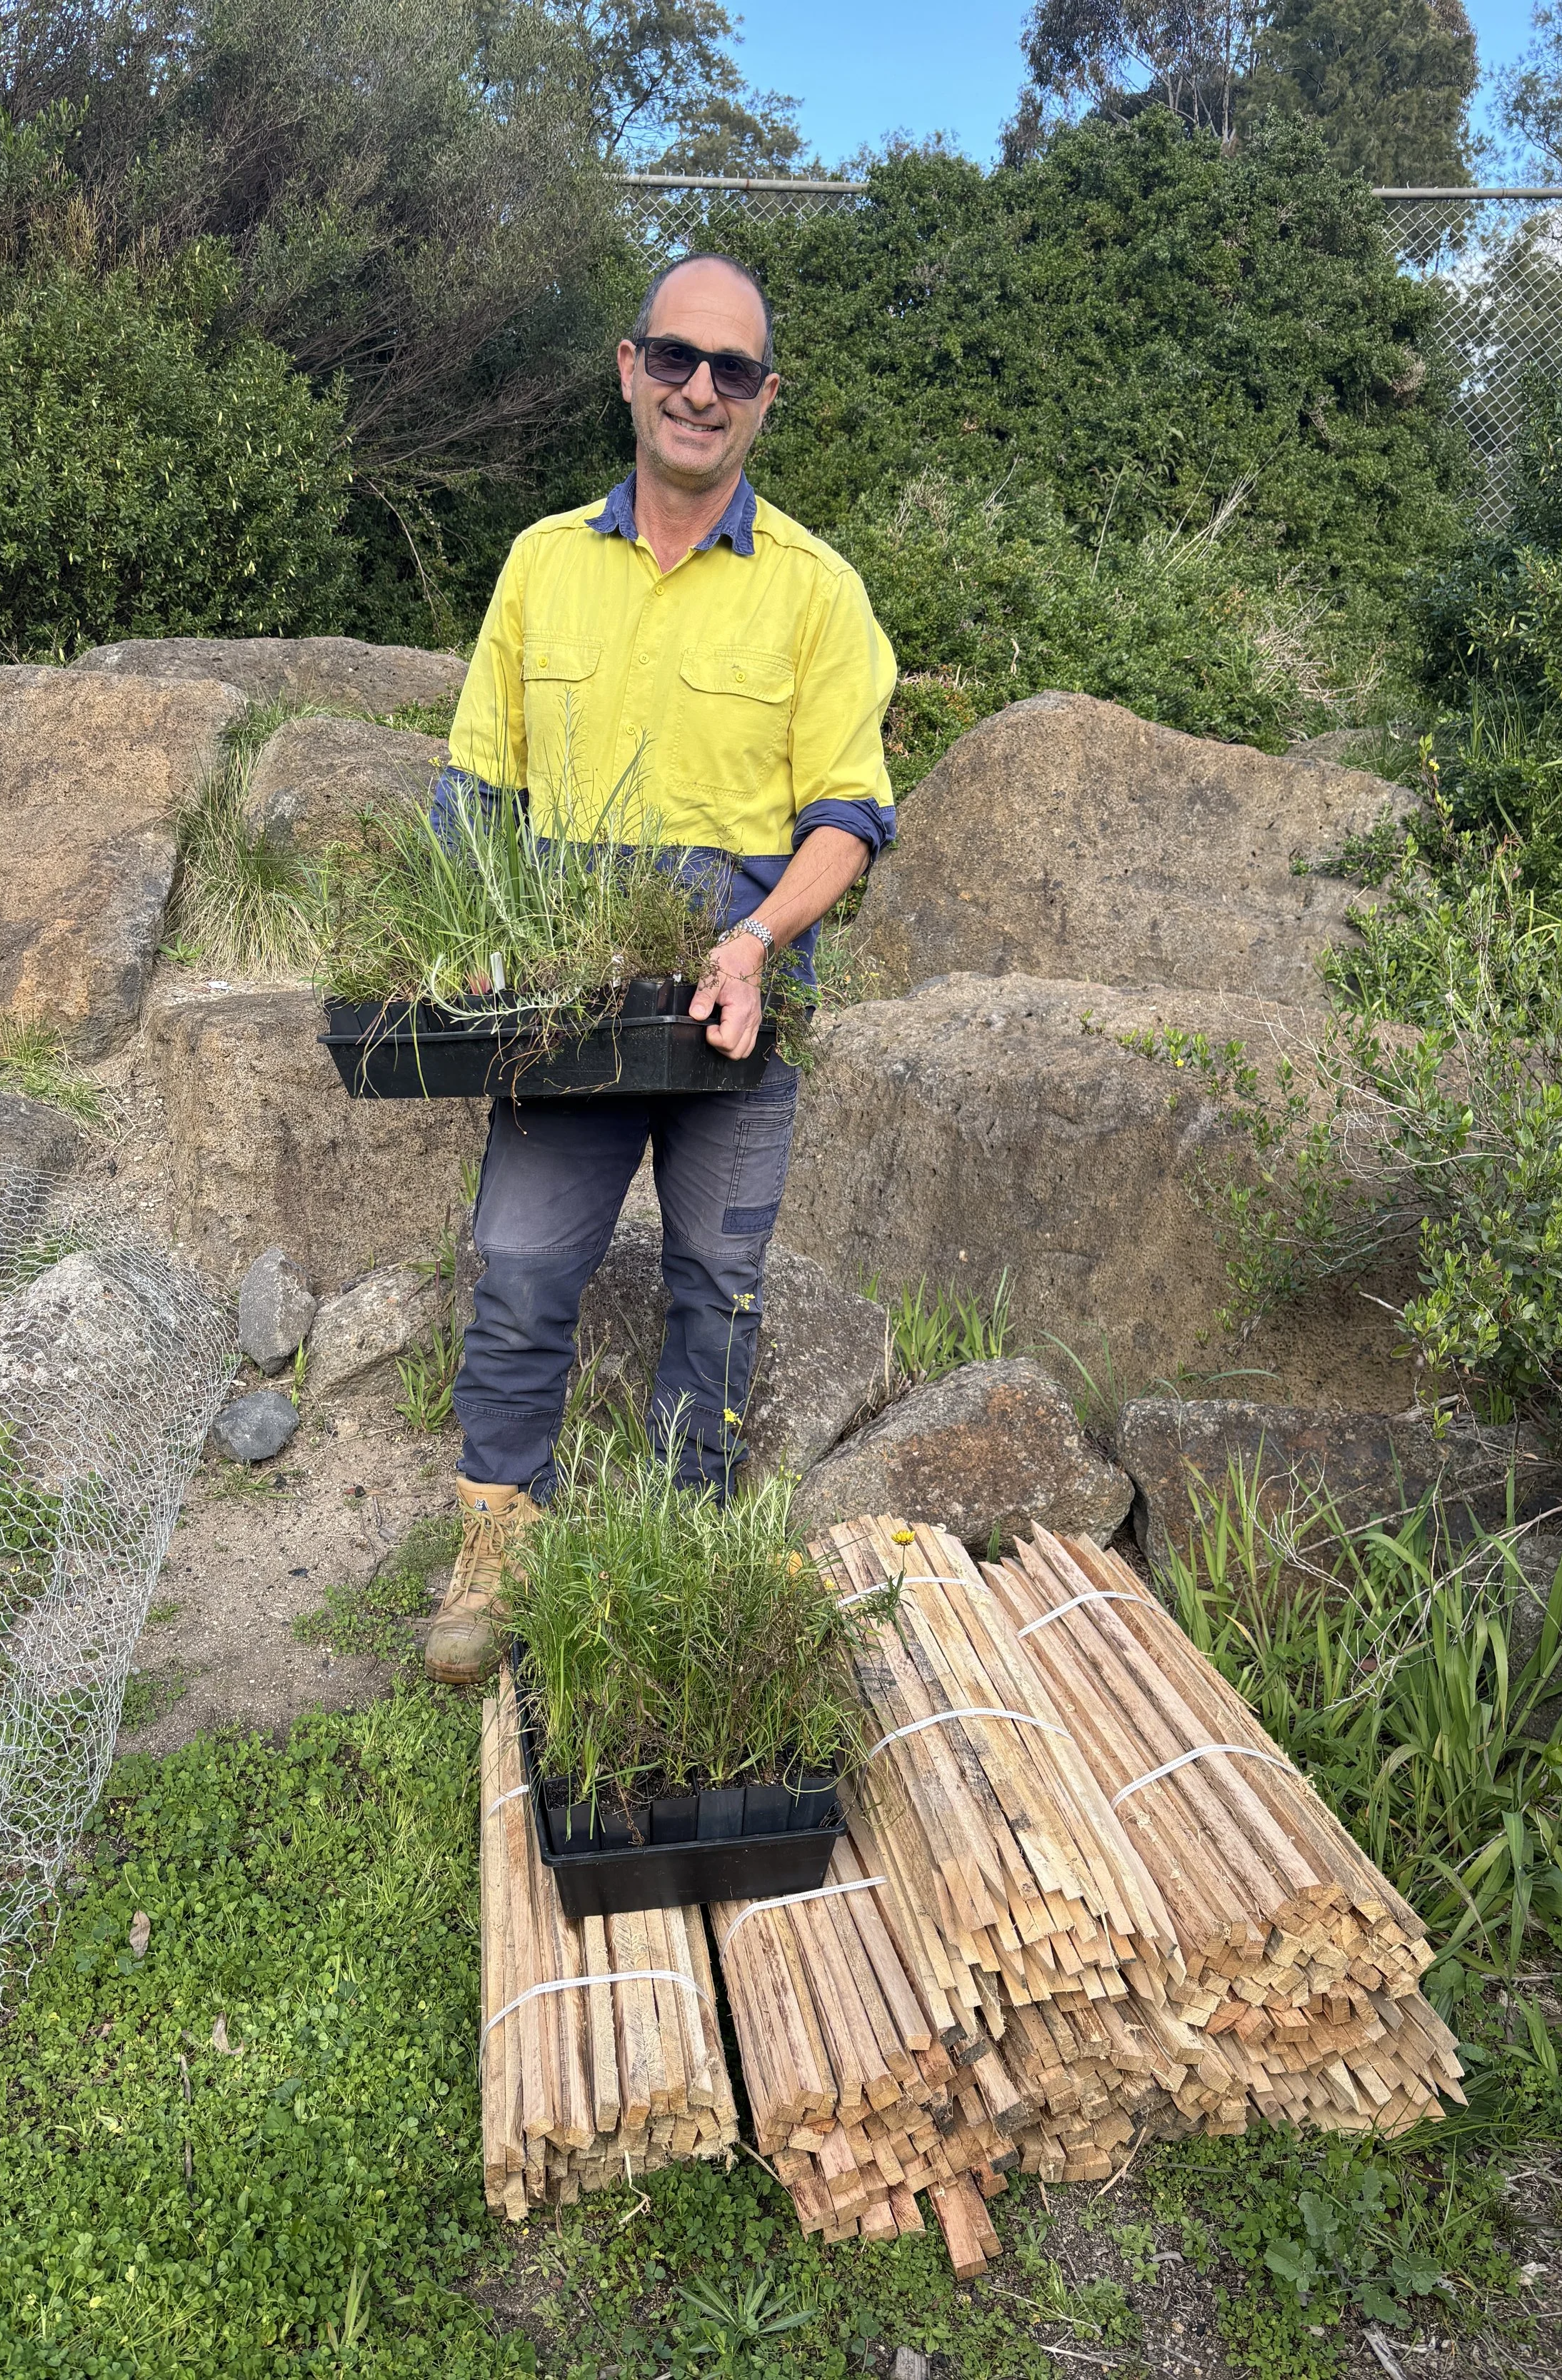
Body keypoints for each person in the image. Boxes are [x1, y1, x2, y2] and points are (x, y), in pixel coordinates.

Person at [423, 251, 897, 1685]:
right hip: (562, 1010)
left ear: (765, 399)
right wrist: (463, 934)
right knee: (515, 1270)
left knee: (717, 1287)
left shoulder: (815, 592)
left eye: (731, 371)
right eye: (674, 359)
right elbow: (474, 790)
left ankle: (675, 1546)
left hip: (732, 1008)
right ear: (629, 369)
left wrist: (754, 939)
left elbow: (849, 817)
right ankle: (498, 1539)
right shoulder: (541, 562)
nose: (700, 388)